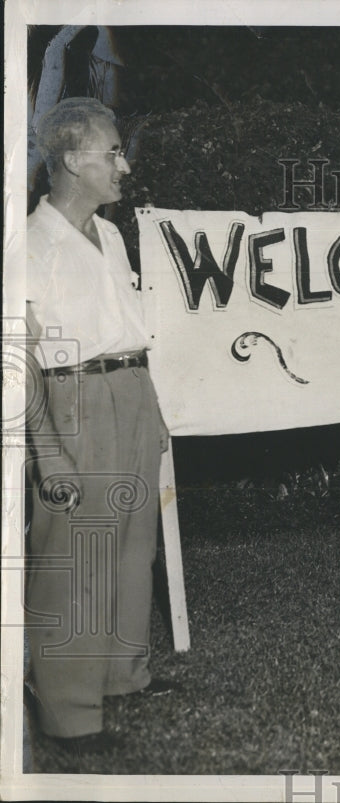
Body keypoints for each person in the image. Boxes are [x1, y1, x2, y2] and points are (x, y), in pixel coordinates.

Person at [25, 97, 176, 755]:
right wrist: (48, 448)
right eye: (112, 152)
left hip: (131, 389)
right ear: (70, 160)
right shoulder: (29, 244)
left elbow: (128, 329)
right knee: (77, 552)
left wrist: (155, 410)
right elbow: (15, 356)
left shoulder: (111, 234)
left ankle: (121, 674)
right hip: (72, 398)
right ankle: (69, 710)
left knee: (131, 541)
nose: (124, 165)